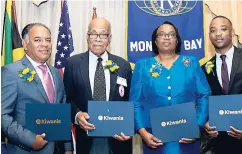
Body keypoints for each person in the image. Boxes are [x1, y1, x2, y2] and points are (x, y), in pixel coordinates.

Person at [129, 21, 211, 154]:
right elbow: (135, 102)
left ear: (177, 40)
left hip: (187, 138)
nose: (167, 37)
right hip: (154, 139)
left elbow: (204, 95)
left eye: (171, 34)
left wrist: (197, 126)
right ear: (155, 41)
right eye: (162, 34)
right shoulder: (142, 66)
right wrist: (142, 132)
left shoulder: (191, 63)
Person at [63, 17, 132, 154]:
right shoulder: (73, 63)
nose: (98, 38)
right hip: (86, 136)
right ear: (87, 37)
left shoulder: (123, 65)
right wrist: (77, 115)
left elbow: (132, 100)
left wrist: (130, 127)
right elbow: (66, 99)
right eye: (93, 34)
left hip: (118, 137)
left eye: (103, 34)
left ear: (110, 38)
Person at [1, 23, 73, 154]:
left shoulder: (56, 73)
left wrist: (68, 148)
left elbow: (62, 112)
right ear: (25, 44)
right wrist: (30, 139)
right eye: (37, 40)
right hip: (25, 150)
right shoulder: (10, 72)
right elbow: (2, 115)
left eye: (48, 40)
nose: (44, 44)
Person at [202, 15, 242, 154]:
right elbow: (204, 100)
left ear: (232, 32)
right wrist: (205, 123)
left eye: (223, 29)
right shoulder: (205, 68)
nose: (218, 34)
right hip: (219, 143)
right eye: (213, 30)